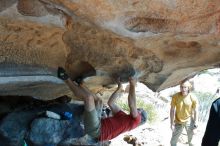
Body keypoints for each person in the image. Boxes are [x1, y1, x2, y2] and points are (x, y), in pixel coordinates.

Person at [57, 67, 147, 142]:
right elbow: (110, 103)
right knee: (99, 101)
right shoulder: (124, 117)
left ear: (141, 116)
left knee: (89, 99)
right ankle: (80, 83)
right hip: (98, 122)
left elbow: (132, 105)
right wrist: (119, 87)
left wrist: (132, 85)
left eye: (140, 110)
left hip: (96, 131)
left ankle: (66, 79)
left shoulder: (136, 121)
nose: (139, 109)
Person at [170, 79, 198, 146]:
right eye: (181, 87)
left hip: (189, 121)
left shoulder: (193, 97)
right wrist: (171, 123)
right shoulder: (175, 96)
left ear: (188, 88)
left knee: (191, 142)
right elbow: (172, 110)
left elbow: (196, 111)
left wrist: (196, 125)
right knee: (173, 142)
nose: (183, 89)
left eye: (185, 87)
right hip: (178, 121)